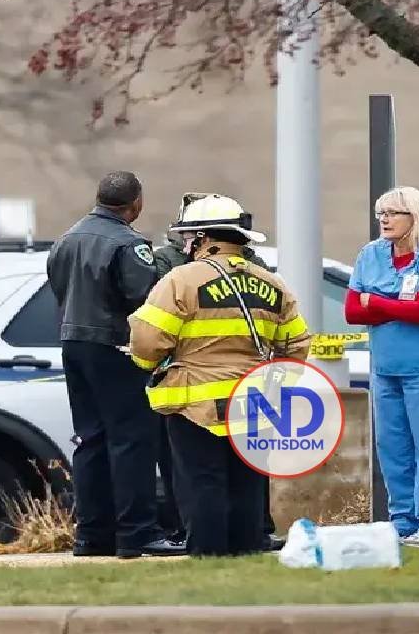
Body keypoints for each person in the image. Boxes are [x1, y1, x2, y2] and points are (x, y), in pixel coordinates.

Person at [128, 194, 311, 557]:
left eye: (188, 238)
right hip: (256, 403)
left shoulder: (181, 280)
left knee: (201, 481)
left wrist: (152, 366)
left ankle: (208, 555)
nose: (185, 245)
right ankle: (246, 552)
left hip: (196, 404)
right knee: (247, 482)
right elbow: (297, 346)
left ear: (203, 238)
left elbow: (147, 341)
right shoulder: (273, 284)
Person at [46, 170, 185, 559]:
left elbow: (57, 288)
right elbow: (143, 297)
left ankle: (92, 535)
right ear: (136, 202)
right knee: (131, 441)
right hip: (115, 347)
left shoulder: (66, 239)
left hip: (73, 343)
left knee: (90, 439)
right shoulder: (129, 244)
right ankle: (136, 533)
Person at [344, 186, 419, 548]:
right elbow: (352, 311)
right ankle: (403, 522)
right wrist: (394, 303)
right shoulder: (370, 254)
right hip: (386, 368)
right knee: (393, 447)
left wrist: (376, 302)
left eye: (393, 213)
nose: (384, 219)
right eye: (381, 212)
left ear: (416, 217)